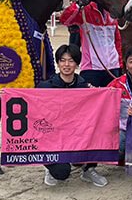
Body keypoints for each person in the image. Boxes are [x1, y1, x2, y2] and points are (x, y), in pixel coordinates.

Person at [37, 44, 108, 187]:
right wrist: (7, 95)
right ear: (58, 63)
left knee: (97, 128)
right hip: (53, 137)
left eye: (71, 61)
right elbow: (29, 104)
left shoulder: (85, 87)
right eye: (63, 60)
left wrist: (102, 94)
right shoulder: (45, 87)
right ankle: (49, 167)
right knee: (62, 173)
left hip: (76, 135)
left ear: (77, 64)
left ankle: (89, 169)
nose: (66, 65)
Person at [60, 0, 121, 87]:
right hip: (91, 69)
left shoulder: (112, 13)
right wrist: (78, 4)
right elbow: (64, 20)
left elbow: (117, 42)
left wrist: (120, 65)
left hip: (113, 68)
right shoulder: (85, 11)